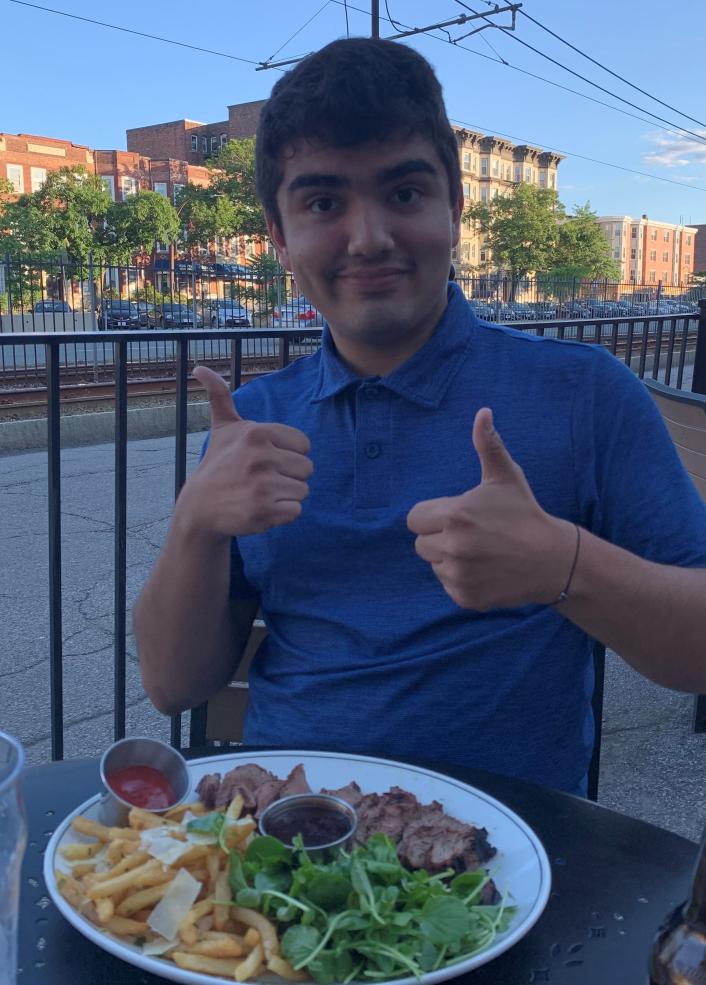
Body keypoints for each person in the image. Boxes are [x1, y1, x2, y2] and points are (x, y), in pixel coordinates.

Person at [134, 38, 706, 796]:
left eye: (403, 193)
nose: (369, 237)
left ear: (455, 208)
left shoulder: (585, 393)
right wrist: (194, 522)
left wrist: (566, 565)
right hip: (282, 869)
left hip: (504, 875)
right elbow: (175, 684)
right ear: (279, 234)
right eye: (323, 202)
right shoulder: (252, 421)